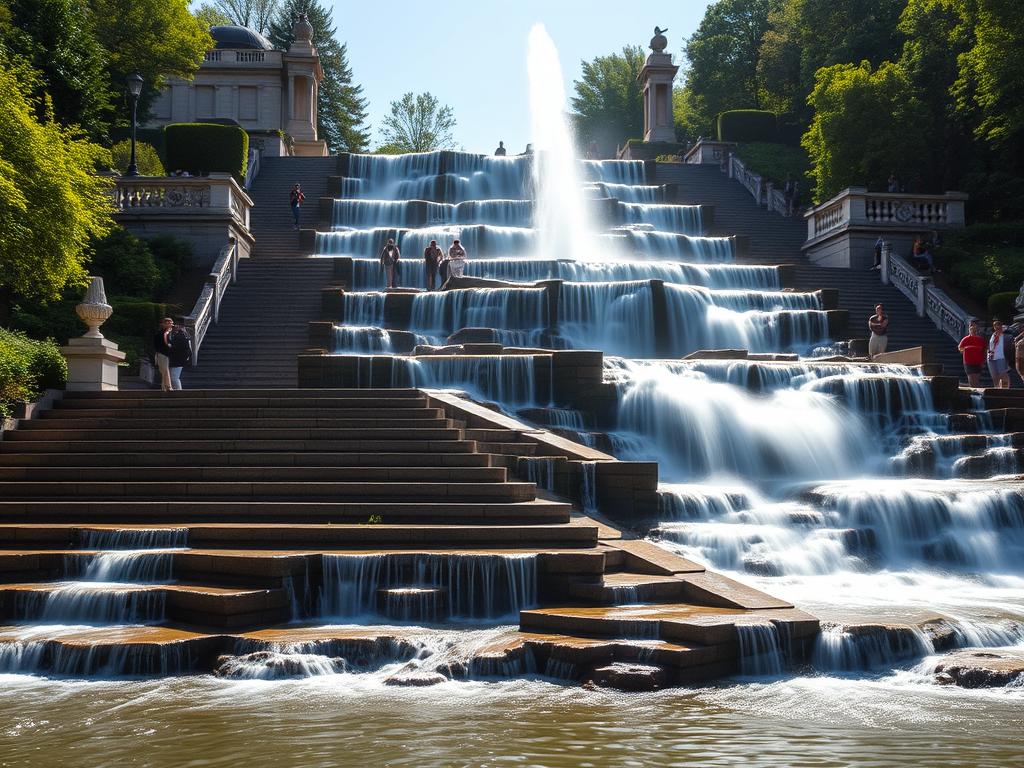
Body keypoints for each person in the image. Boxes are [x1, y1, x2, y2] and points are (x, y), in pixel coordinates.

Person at [958, 320, 986, 388]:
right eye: (971, 329)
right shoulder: (965, 339)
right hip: (968, 362)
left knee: (976, 380)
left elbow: (984, 351)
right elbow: (960, 348)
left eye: (974, 330)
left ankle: (977, 394)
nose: (973, 331)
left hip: (978, 362)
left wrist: (983, 361)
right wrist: (966, 349)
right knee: (971, 380)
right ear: (969, 330)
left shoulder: (981, 340)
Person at [167, 322, 192, 391]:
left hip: (178, 359)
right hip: (178, 359)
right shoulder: (182, 334)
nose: (175, 326)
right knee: (173, 377)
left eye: (177, 325)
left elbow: (179, 347)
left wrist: (170, 345)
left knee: (174, 378)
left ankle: (179, 391)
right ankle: (178, 391)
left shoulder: (181, 335)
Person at [988, 318, 1011, 388]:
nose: (997, 327)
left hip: (1002, 357)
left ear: (1001, 326)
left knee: (1003, 374)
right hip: (991, 357)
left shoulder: (1006, 335)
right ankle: (997, 388)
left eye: (998, 325)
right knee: (994, 376)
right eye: (995, 325)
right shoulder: (993, 335)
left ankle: (1006, 388)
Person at [152, 317, 174, 392]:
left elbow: (169, 342)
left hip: (165, 354)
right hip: (162, 353)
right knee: (164, 370)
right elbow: (164, 342)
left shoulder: (169, 332)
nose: (171, 325)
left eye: (171, 323)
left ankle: (166, 386)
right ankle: (166, 386)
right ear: (164, 324)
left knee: (164, 370)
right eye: (169, 323)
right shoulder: (162, 333)